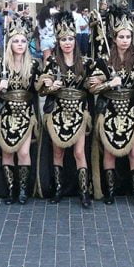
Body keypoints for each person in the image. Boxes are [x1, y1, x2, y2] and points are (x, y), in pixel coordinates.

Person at [89, 6, 134, 207]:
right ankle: (110, 191)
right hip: (110, 110)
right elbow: (92, 87)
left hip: (130, 109)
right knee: (110, 151)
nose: (125, 40)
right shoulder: (104, 60)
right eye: (121, 36)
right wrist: (108, 84)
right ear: (114, 38)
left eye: (128, 36)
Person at [41, 11, 94, 207]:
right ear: (58, 41)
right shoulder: (53, 63)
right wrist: (49, 87)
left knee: (79, 153)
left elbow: (95, 84)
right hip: (58, 113)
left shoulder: (86, 62)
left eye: (71, 38)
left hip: (79, 113)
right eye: (63, 39)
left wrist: (99, 81)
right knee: (58, 153)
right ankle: (58, 189)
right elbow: (42, 86)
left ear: (75, 39)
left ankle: (84, 192)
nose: (67, 43)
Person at [0, 14, 42, 206]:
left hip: (26, 114)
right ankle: (11, 189)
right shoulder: (1, 64)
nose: (20, 44)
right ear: (10, 43)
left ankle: (23, 190)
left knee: (23, 152)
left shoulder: (34, 64)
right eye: (16, 41)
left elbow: (39, 88)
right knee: (7, 152)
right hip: (6, 113)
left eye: (23, 41)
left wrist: (45, 82)